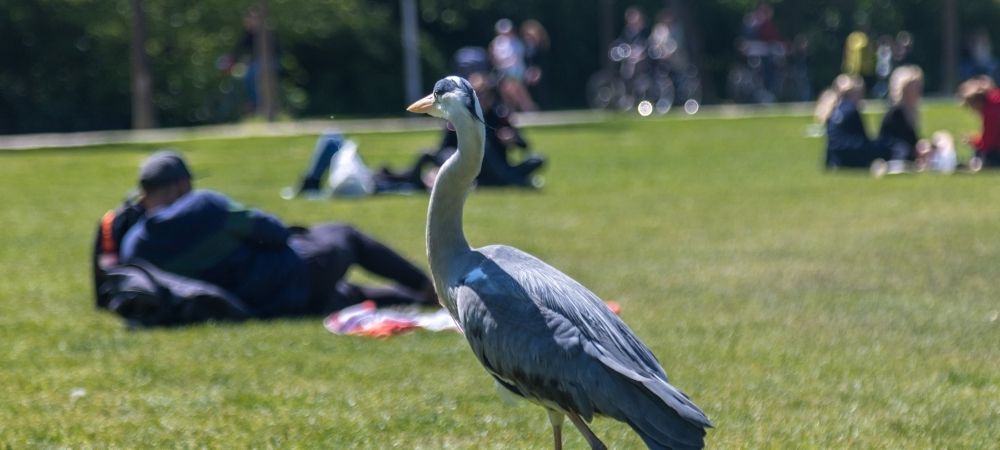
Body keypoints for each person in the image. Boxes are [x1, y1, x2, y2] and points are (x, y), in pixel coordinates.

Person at [106, 150, 436, 319]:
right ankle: (428, 288)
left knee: (345, 294)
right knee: (344, 235)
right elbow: (275, 232)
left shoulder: (133, 244)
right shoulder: (202, 205)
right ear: (181, 185)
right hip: (290, 276)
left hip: (254, 305)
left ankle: (419, 301)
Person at [378, 72, 545, 190]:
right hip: (466, 164)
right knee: (429, 154)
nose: (482, 100)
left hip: (498, 167)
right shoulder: (459, 117)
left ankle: (507, 180)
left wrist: (512, 139)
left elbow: (525, 145)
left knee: (537, 159)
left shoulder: (499, 115)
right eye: (478, 95)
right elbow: (443, 148)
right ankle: (403, 178)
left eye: (485, 95)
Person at [816, 74, 889, 169]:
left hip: (835, 159)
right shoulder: (851, 110)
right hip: (850, 156)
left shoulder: (834, 110)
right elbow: (863, 139)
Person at [878, 65, 927, 164]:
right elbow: (893, 143)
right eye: (914, 87)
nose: (918, 91)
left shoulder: (911, 111)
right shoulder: (896, 113)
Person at [489, 18, 536, 112]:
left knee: (514, 88)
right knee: (507, 90)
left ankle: (527, 107)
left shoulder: (517, 42)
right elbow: (494, 57)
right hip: (502, 71)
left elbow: (517, 59)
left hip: (516, 70)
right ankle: (518, 108)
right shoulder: (496, 43)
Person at [958, 75, 1000, 168]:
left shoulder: (990, 111)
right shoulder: (995, 99)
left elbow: (988, 143)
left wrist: (972, 141)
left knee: (983, 155)